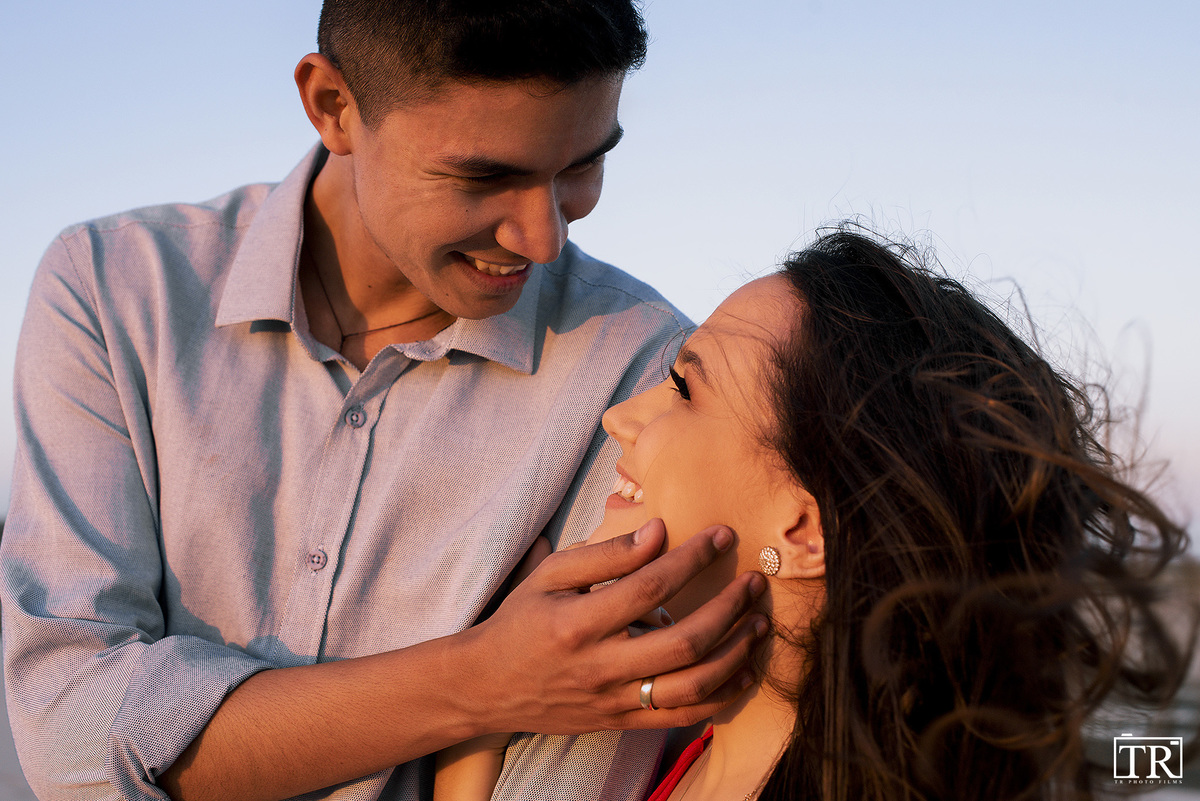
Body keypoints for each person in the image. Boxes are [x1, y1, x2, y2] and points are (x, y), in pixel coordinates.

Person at [0, 3, 768, 800]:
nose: (544, 238)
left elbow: (567, 773)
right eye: (485, 177)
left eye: (581, 165)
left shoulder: (640, 369)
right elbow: (73, 735)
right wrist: (481, 682)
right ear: (333, 105)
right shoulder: (112, 290)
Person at [445, 226, 1195, 800]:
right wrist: (486, 704)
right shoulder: (699, 753)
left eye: (684, 389)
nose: (620, 418)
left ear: (804, 531)